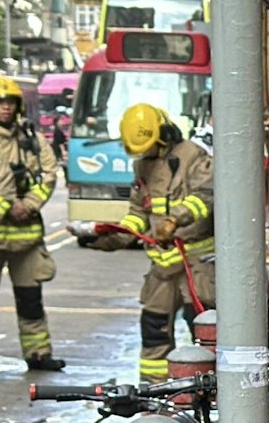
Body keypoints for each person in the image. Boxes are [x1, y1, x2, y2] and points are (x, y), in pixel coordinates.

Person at [88, 104, 216, 382]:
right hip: (161, 269)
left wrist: (175, 219)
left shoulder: (193, 156)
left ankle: (209, 393)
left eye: (149, 148)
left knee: (203, 331)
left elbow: (206, 196)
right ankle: (154, 391)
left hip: (196, 268)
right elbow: (138, 213)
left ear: (164, 135)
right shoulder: (142, 165)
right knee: (153, 330)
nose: (145, 155)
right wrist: (115, 238)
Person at [0, 77, 61, 382]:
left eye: (10, 102)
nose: (5, 108)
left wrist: (30, 204)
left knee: (30, 299)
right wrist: (0, 209)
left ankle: (39, 354)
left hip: (26, 237)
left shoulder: (32, 138)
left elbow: (49, 174)